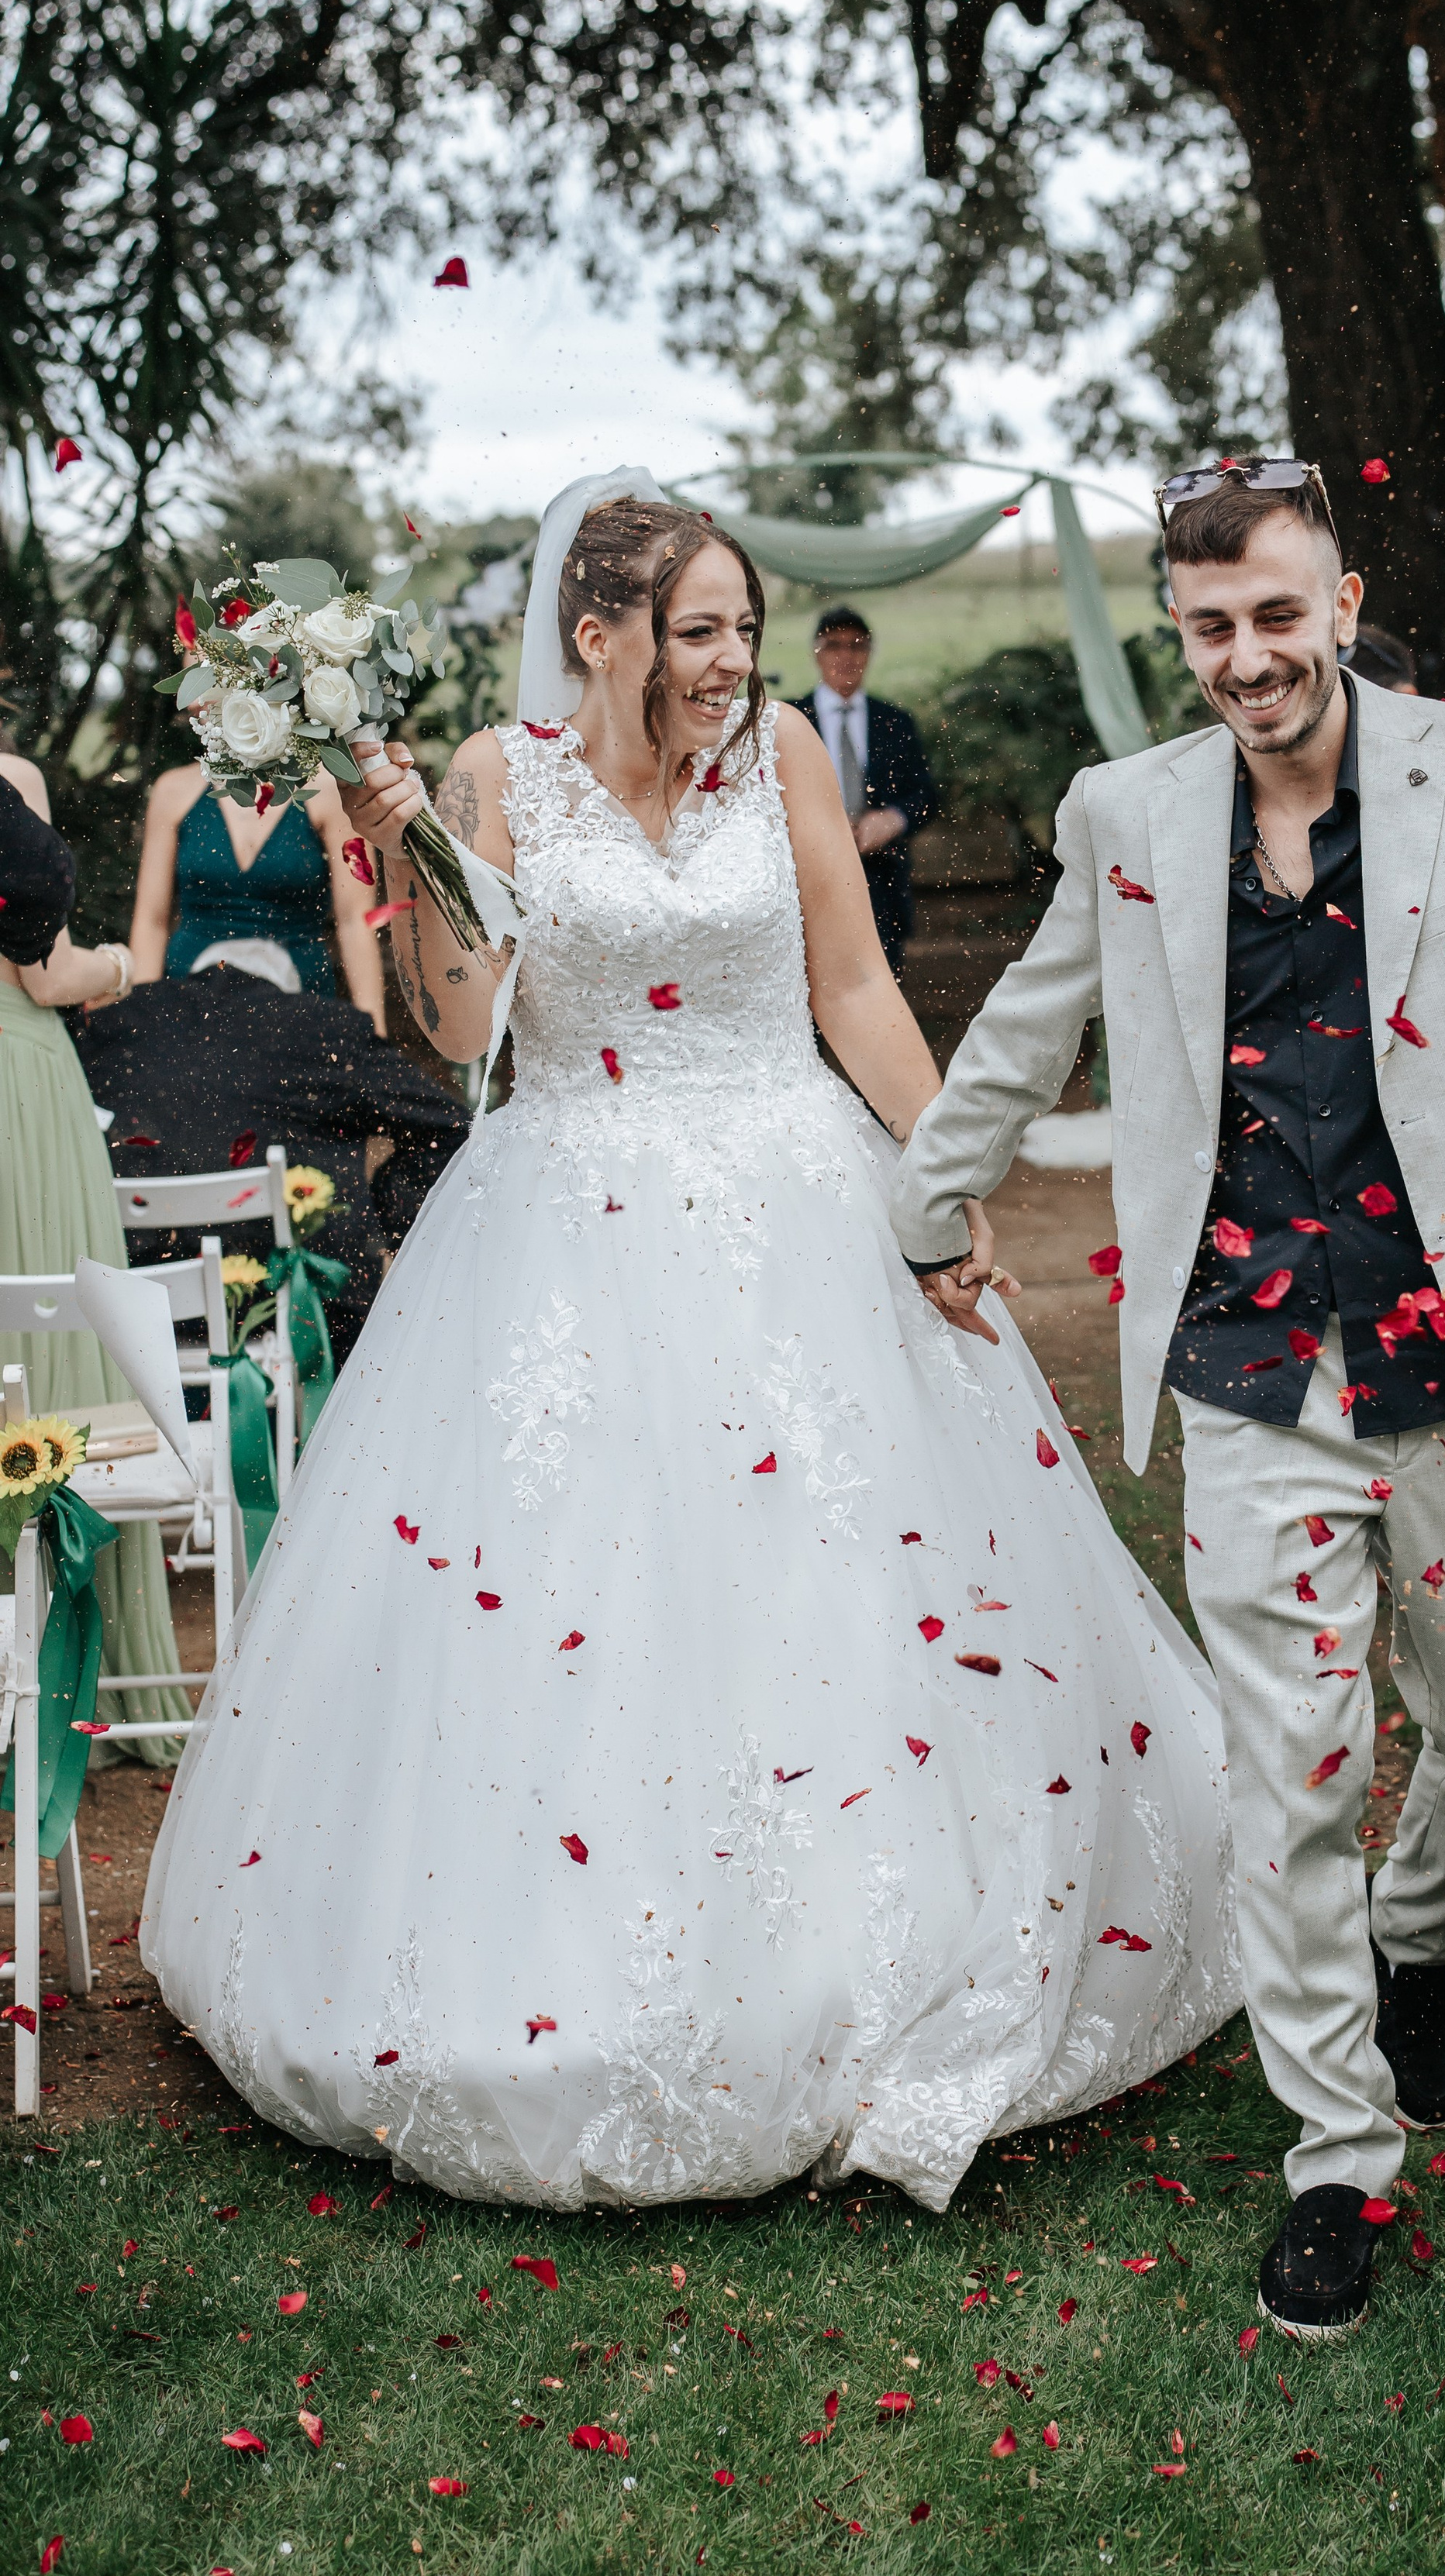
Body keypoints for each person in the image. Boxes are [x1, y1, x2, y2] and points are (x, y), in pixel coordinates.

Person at [141, 469, 1237, 2211]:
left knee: (850, 1587)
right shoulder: (501, 782)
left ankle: (890, 1946)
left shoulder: (784, 756)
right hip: (563, 1220)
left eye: (746, 628)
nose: (737, 662)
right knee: (587, 1599)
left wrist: (940, 1190)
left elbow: (854, 989)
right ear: (599, 634)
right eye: (701, 632)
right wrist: (413, 841)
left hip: (794, 1190)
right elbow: (457, 1032)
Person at [892, 455, 1445, 2340]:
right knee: (1294, 1769)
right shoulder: (1125, 812)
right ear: (1175, 637)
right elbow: (1027, 1020)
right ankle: (1333, 2152)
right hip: (1249, 1352)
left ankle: (1418, 1933)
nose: (1245, 658)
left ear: (1339, 602)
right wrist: (919, 1201)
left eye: (1274, 614)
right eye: (1207, 628)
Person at [0, 752, 188, 1760]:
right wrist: (121, 967)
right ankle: (61, 1675)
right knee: (46, 1361)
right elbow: (45, 970)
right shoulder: (8, 779)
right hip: (19, 1086)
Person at [74, 938, 467, 1369]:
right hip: (289, 1313)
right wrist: (386, 1213)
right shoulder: (320, 1029)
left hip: (136, 1306)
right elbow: (450, 1128)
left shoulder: (116, 1028)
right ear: (284, 992)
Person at [129, 759, 386, 1027]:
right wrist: (140, 1020)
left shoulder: (332, 790)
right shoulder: (174, 790)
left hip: (299, 1001)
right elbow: (151, 922)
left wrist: (374, 1033)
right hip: (188, 1001)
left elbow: (356, 920)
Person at [785, 604, 937, 969]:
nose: (846, 656)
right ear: (817, 652)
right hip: (807, 881)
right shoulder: (790, 720)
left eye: (857, 645)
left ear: (869, 653)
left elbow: (927, 795)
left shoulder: (896, 722)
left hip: (881, 884)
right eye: (835, 645)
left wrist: (894, 819)